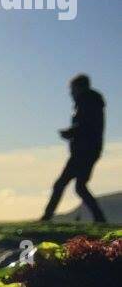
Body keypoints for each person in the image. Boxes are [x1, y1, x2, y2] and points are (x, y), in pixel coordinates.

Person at [41, 74, 106, 223]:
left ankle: (47, 216)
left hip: (84, 151)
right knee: (80, 186)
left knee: (62, 184)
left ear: (79, 88)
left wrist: (70, 132)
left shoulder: (87, 101)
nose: (71, 93)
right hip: (89, 150)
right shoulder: (90, 102)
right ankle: (99, 218)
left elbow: (86, 126)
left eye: (72, 89)